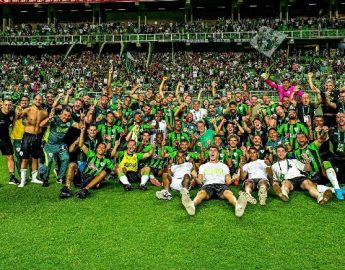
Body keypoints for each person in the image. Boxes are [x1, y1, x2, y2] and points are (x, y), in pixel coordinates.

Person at [180, 145, 249, 217]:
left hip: (220, 185)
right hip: (207, 185)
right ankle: (192, 205)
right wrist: (195, 177)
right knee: (201, 193)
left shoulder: (224, 166)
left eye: (214, 150)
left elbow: (228, 182)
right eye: (210, 150)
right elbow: (200, 182)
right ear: (209, 153)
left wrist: (233, 179)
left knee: (228, 193)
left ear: (218, 153)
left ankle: (237, 206)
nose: (212, 152)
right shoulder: (203, 166)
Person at [60, 125, 115, 199]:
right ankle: (67, 188)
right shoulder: (91, 154)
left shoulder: (107, 161)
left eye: (103, 148)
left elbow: (114, 168)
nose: (101, 149)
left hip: (92, 180)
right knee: (72, 164)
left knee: (104, 172)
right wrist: (82, 131)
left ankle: (85, 189)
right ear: (96, 149)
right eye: (99, 147)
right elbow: (81, 145)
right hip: (82, 176)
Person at [18, 94, 49, 188]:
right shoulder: (28, 109)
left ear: (42, 100)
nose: (38, 100)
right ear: (33, 100)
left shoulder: (44, 113)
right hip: (27, 136)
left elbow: (44, 126)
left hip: (38, 137)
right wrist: (20, 114)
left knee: (35, 157)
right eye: (36, 99)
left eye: (40, 99)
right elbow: (20, 116)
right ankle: (22, 180)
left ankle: (34, 178)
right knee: (25, 158)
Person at [0, 98, 19, 185]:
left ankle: (12, 177)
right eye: (6, 105)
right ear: (2, 104)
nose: (7, 107)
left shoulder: (12, 113)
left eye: (9, 105)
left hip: (5, 139)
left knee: (10, 157)